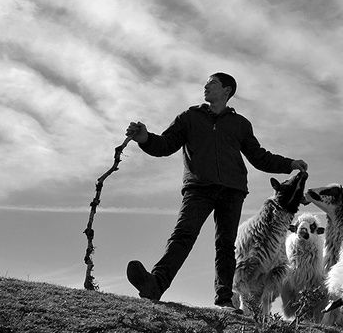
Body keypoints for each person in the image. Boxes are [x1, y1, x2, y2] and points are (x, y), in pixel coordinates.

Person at [124, 72, 307, 308]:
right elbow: (165, 145)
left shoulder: (240, 124)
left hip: (232, 190)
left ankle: (224, 300)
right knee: (183, 235)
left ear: (227, 90)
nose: (206, 86)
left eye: (212, 83)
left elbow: (259, 157)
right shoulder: (189, 117)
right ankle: (155, 284)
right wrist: (145, 138)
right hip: (198, 188)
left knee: (225, 245)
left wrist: (289, 164)